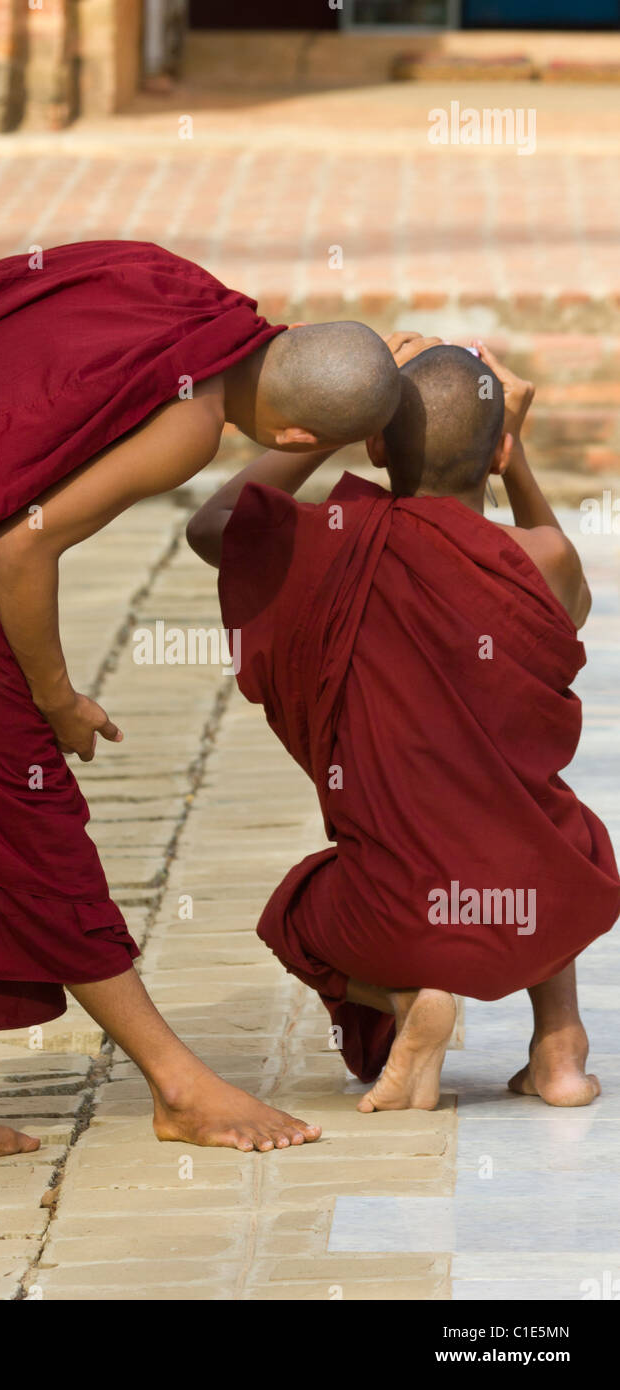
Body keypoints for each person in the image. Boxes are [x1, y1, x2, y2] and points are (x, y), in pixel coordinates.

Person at [0, 238, 403, 1165]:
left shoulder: (178, 285)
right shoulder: (193, 425)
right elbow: (23, 547)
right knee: (31, 818)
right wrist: (55, 697)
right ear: (301, 439)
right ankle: (178, 1085)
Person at [187, 337, 620, 1112]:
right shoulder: (540, 559)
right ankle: (560, 1051)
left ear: (376, 442)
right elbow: (573, 594)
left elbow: (213, 525)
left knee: (292, 912)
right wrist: (513, 455)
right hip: (550, 906)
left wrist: (330, 418)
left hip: (400, 922)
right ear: (500, 454)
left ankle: (403, 1000)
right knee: (547, 823)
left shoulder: (330, 545)